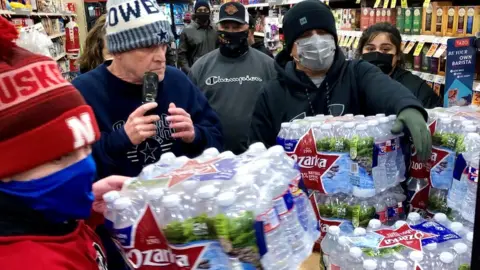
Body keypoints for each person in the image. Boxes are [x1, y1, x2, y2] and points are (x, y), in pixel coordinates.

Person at [0, 17, 128, 269]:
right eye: (60, 156)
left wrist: (87, 211)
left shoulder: (46, 217)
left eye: (86, 147)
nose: (86, 167)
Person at [249, 0, 431, 162]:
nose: (316, 41)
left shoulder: (357, 72)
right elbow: (260, 154)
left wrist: (407, 106)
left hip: (352, 191)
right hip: (299, 193)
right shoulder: (272, 94)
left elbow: (385, 88)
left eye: (321, 32)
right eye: (305, 36)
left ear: (334, 40)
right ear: (290, 48)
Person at [72, 0, 223, 179]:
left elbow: (217, 138)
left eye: (163, 45)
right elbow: (71, 170)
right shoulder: (83, 93)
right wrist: (120, 139)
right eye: (147, 47)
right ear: (118, 51)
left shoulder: (178, 81)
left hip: (177, 199)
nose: (161, 57)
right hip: (118, 202)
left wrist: (195, 135)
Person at [189, 2, 276, 154]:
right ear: (218, 28)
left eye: (236, 28)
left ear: (248, 30)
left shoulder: (268, 65)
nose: (230, 32)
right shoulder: (200, 67)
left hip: (259, 159)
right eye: (225, 27)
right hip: (214, 159)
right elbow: (192, 115)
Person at [357, 22, 442, 108]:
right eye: (370, 49)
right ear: (361, 52)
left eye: (385, 49)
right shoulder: (352, 83)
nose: (377, 54)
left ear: (397, 54)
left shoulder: (417, 88)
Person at [177, 0, 217, 74]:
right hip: (196, 72)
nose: (203, 12)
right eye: (200, 10)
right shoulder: (187, 31)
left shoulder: (215, 29)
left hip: (214, 71)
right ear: (195, 12)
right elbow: (181, 54)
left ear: (209, 11)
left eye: (205, 10)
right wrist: (188, 71)